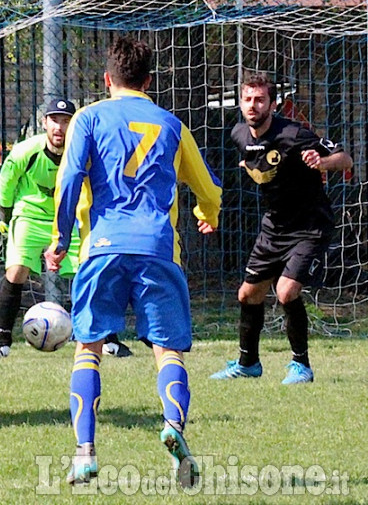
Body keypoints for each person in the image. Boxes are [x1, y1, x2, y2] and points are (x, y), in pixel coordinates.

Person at [44, 35, 222, 486]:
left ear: (107, 79)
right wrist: (207, 213)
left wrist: (60, 238)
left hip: (101, 247)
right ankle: (173, 427)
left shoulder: (88, 118)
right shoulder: (171, 124)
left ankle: (85, 453)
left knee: (89, 349)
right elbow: (210, 189)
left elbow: (69, 181)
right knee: (169, 351)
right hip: (159, 248)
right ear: (148, 80)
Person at [211, 72, 352, 385]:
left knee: (286, 291)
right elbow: (255, 162)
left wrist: (322, 162)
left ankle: (301, 365)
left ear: (272, 105)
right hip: (274, 226)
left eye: (260, 99)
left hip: (310, 224)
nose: (253, 105)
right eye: (247, 99)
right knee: (248, 294)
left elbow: (345, 158)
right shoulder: (238, 134)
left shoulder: (294, 132)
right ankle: (248, 364)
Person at [0, 98, 131, 359]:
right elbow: (7, 183)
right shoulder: (25, 152)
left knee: (89, 272)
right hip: (30, 215)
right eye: (54, 120)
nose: (59, 128)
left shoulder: (84, 152)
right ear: (44, 123)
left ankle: (108, 339)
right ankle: (1, 342)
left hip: (69, 217)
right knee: (16, 269)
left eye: (66, 121)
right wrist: (5, 217)